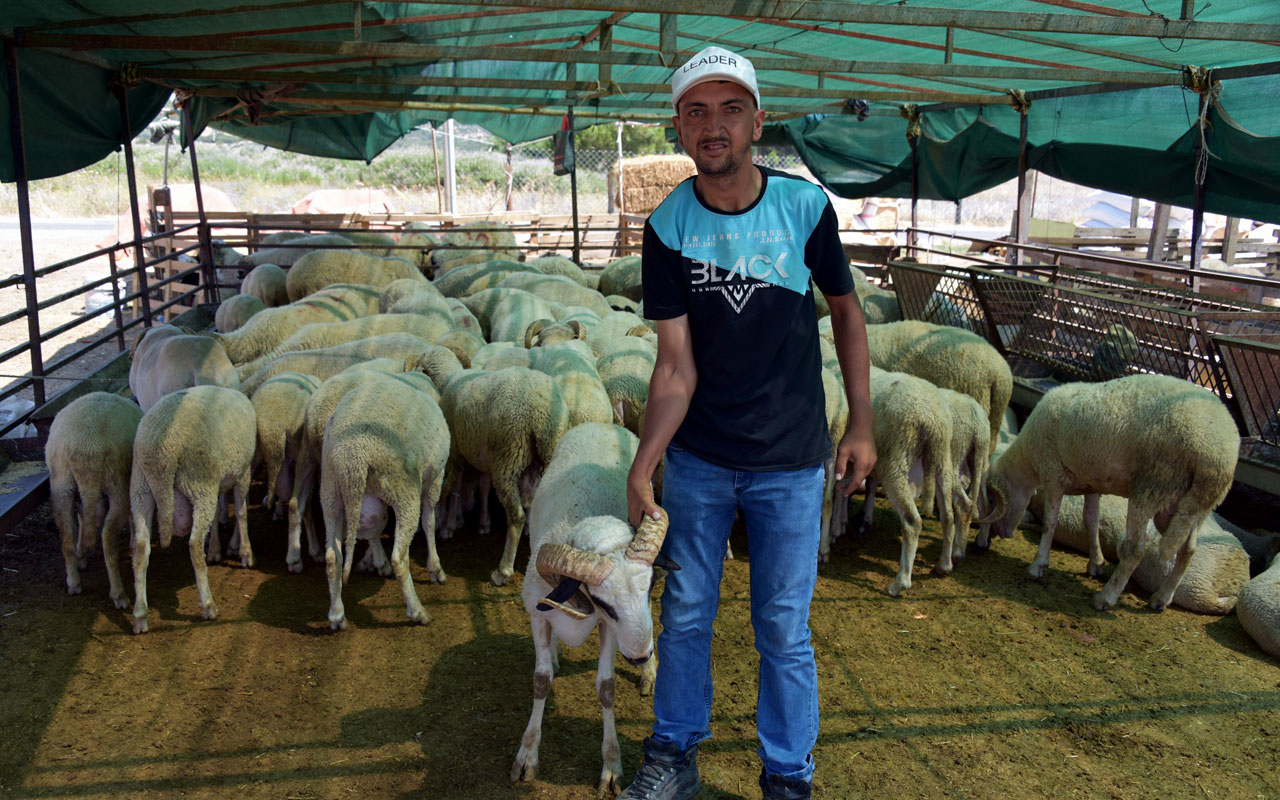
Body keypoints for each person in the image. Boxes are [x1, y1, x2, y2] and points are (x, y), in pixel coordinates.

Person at [622, 46, 877, 800]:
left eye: (730, 109)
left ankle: (789, 775)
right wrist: (644, 464)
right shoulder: (667, 226)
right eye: (697, 111)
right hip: (701, 458)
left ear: (757, 121)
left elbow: (847, 314)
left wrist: (861, 423)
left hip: (794, 459)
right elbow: (675, 366)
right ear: (678, 129)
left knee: (783, 628)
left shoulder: (804, 208)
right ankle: (672, 754)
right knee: (688, 611)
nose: (714, 125)